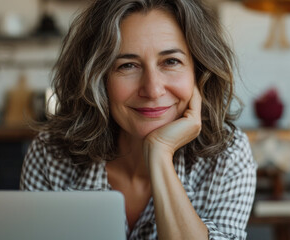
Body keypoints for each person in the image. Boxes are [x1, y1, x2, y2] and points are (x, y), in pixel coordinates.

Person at [20, 0, 257, 239]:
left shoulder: (228, 156)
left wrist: (160, 153)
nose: (152, 90)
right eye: (128, 65)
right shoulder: (50, 154)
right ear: (97, 79)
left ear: (199, 72)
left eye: (171, 62)